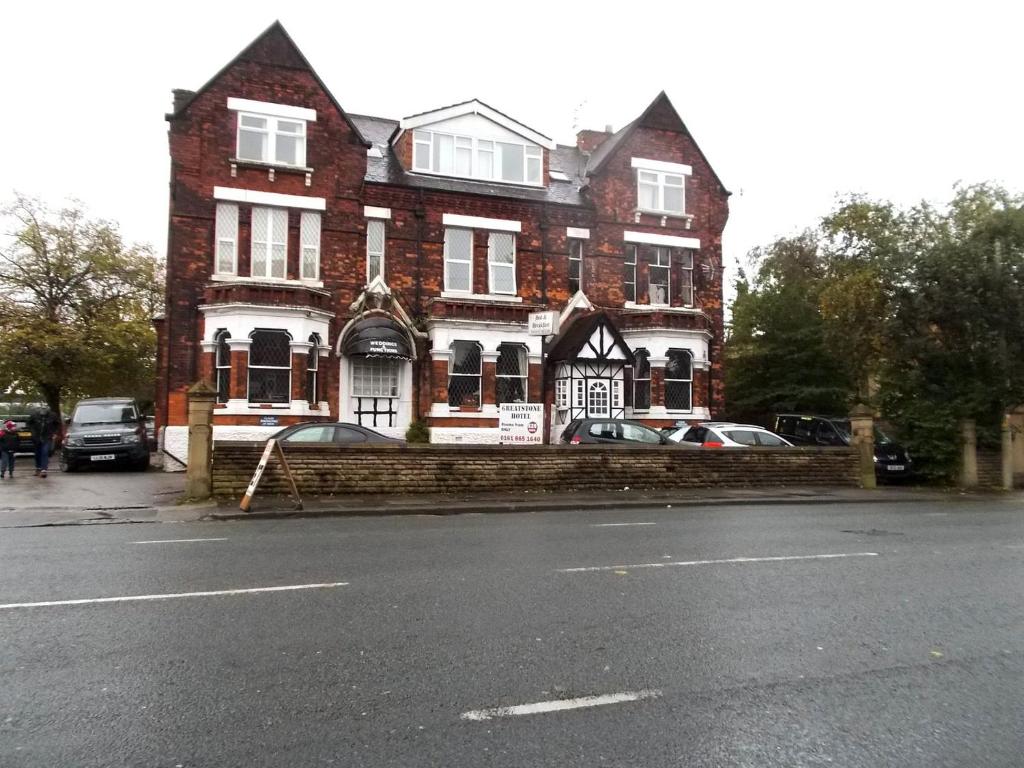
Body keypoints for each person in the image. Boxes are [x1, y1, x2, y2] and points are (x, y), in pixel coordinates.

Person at [27, 405, 61, 478]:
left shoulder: (53, 415)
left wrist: (54, 433)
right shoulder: (34, 415)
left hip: (47, 437)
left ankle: (44, 470)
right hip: (36, 437)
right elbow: (29, 423)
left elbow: (58, 424)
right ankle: (38, 468)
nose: (43, 413)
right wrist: (32, 432)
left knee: (45, 452)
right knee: (37, 453)